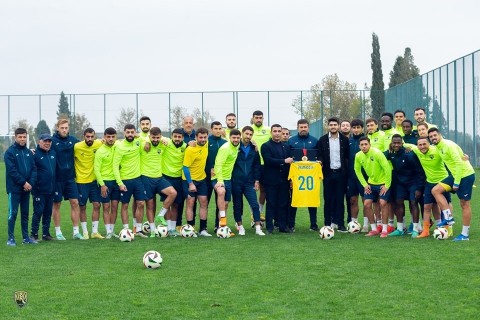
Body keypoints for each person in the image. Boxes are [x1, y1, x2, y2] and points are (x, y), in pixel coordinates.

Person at [428, 128, 475, 241]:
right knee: (435, 190)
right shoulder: (437, 147)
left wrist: (456, 182)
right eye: (431, 136)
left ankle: (465, 234)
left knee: (464, 204)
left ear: (440, 135)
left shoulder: (448, 145)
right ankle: (448, 218)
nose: (433, 138)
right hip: (455, 175)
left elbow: (459, 163)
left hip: (465, 175)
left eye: (435, 135)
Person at [410, 137, 453, 238]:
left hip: (443, 182)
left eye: (424, 144)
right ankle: (425, 231)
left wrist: (464, 157)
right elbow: (406, 144)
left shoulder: (437, 150)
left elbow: (451, 155)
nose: (422, 146)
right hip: (429, 183)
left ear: (429, 144)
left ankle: (449, 228)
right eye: (420, 145)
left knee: (445, 206)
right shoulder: (417, 150)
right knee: (426, 207)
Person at [139, 127, 177, 237]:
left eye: (158, 137)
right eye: (153, 137)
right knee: (150, 205)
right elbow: (139, 136)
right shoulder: (143, 145)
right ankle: (152, 230)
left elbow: (173, 140)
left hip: (159, 178)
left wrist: (162, 139)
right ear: (150, 136)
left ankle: (161, 215)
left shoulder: (163, 143)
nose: (155, 139)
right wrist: (146, 140)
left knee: (173, 193)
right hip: (146, 178)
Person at [384, 134, 425, 237]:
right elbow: (380, 156)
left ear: (402, 143)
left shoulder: (409, 154)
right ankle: (400, 229)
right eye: (394, 143)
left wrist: (419, 188)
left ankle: (415, 229)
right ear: (391, 144)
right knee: (398, 203)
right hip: (400, 183)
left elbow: (419, 171)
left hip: (413, 182)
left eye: (398, 143)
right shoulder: (391, 153)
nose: (396, 145)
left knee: (413, 203)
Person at [112, 124, 147, 238]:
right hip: (125, 180)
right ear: (124, 133)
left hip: (138, 179)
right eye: (128, 132)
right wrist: (120, 183)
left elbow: (148, 140)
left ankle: (138, 229)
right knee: (125, 205)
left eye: (132, 132)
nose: (130, 134)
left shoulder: (138, 142)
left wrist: (139, 137)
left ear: (135, 133)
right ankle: (127, 230)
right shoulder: (120, 146)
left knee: (141, 203)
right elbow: (115, 166)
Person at [5, 128, 38, 246]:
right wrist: (24, 183)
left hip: (26, 189)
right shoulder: (10, 152)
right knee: (12, 213)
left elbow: (34, 169)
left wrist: (30, 183)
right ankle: (11, 238)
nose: (22, 139)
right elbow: (12, 171)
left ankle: (26, 238)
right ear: (15, 137)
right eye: (20, 137)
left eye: (24, 137)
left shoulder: (29, 153)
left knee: (25, 214)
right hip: (14, 189)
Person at [354, 137, 392, 237]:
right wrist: (365, 184)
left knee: (383, 203)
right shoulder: (358, 155)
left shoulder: (377, 153)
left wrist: (387, 185)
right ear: (359, 146)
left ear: (370, 145)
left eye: (366, 144)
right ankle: (374, 229)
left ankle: (384, 230)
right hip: (371, 184)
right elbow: (357, 170)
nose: (364, 146)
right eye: (362, 145)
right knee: (366, 204)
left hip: (383, 183)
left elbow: (387, 168)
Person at [51, 118, 82, 240]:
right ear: (58, 128)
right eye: (62, 128)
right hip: (57, 178)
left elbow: (85, 146)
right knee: (57, 204)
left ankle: (76, 232)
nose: (64, 130)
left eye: (66, 128)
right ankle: (58, 232)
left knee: (75, 203)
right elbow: (42, 149)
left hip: (70, 178)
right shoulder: (52, 141)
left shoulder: (73, 140)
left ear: (68, 128)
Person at [317, 117, 349, 232]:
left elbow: (347, 156)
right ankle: (327, 223)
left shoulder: (344, 139)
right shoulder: (322, 140)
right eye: (331, 125)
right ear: (328, 126)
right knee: (328, 199)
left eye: (335, 124)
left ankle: (340, 224)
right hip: (328, 173)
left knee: (340, 200)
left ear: (339, 126)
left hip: (341, 173)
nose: (333, 127)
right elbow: (319, 154)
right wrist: (320, 161)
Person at [231, 126, 265, 236]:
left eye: (250, 134)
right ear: (242, 134)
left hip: (249, 182)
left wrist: (257, 180)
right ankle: (240, 227)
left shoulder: (254, 149)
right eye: (246, 134)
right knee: (237, 205)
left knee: (254, 204)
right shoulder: (235, 147)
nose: (248, 136)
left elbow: (257, 165)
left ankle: (258, 228)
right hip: (236, 182)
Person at [287, 119, 319, 231]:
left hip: (311, 177)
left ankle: (313, 224)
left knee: (312, 200)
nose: (303, 129)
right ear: (297, 128)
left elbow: (319, 157)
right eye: (301, 127)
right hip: (296, 177)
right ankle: (291, 225)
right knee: (294, 200)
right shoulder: (291, 141)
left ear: (308, 128)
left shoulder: (315, 141)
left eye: (305, 127)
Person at [261, 124, 293, 234]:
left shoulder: (286, 146)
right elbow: (268, 160)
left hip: (284, 180)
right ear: (271, 132)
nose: (277, 133)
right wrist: (284, 161)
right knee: (271, 203)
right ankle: (269, 227)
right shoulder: (266, 146)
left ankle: (282, 226)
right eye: (275, 131)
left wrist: (291, 179)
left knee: (283, 203)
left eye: (279, 131)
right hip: (271, 180)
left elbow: (290, 164)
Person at [74, 128, 103, 239]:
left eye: (92, 136)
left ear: (95, 136)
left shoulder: (99, 143)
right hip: (81, 181)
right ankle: (85, 232)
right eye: (88, 137)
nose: (90, 139)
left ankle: (94, 232)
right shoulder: (77, 147)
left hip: (94, 181)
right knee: (82, 207)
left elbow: (115, 141)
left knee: (97, 205)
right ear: (84, 137)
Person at [212, 129, 241, 233]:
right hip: (217, 177)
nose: (236, 139)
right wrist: (220, 181)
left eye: (238, 138)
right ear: (230, 138)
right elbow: (218, 164)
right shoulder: (225, 148)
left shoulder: (237, 145)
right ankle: (223, 220)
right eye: (234, 137)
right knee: (221, 192)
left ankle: (221, 228)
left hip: (228, 178)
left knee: (226, 204)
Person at [182, 128, 210, 236]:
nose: (203, 139)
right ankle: (190, 229)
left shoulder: (207, 144)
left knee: (203, 202)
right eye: (200, 137)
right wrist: (190, 183)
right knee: (190, 202)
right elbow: (185, 167)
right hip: (189, 180)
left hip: (202, 179)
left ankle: (203, 229)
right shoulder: (190, 149)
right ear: (196, 137)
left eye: (205, 137)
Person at [94, 127, 120, 239]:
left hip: (116, 181)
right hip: (105, 182)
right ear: (104, 137)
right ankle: (108, 231)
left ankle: (112, 230)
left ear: (116, 137)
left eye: (112, 136)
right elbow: (96, 170)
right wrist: (102, 184)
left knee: (114, 207)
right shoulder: (100, 151)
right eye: (108, 137)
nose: (110, 139)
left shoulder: (118, 146)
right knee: (106, 207)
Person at [161, 128, 187, 236]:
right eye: (175, 136)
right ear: (171, 136)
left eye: (179, 137)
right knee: (167, 203)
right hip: (166, 177)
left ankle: (172, 228)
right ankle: (167, 226)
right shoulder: (166, 143)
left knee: (176, 205)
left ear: (182, 138)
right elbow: (151, 135)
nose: (177, 139)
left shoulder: (185, 147)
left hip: (178, 178)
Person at [31, 133, 56, 241]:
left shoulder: (53, 153)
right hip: (39, 190)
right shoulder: (34, 154)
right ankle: (34, 234)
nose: (47, 143)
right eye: (45, 141)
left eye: (49, 141)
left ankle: (46, 234)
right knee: (38, 212)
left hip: (50, 189)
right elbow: (31, 171)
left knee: (48, 212)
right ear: (39, 142)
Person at [205, 121, 226, 230]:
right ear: (211, 129)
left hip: (220, 177)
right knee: (205, 202)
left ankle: (218, 225)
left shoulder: (225, 142)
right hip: (208, 177)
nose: (218, 131)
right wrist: (209, 169)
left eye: (220, 128)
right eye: (216, 128)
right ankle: (203, 227)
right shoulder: (207, 142)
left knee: (220, 201)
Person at [346, 119, 367, 231]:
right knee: (353, 200)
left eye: (358, 127)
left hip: (364, 176)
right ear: (351, 128)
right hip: (351, 176)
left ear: (362, 128)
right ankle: (354, 223)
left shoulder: (365, 140)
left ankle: (365, 224)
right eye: (354, 127)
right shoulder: (348, 141)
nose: (356, 129)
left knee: (365, 200)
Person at [251, 110, 271, 221]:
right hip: (251, 165)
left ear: (263, 118)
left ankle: (259, 214)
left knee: (264, 190)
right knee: (251, 190)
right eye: (256, 117)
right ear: (253, 118)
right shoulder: (247, 129)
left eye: (260, 117)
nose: (258, 119)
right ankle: (253, 215)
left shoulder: (268, 130)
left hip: (265, 165)